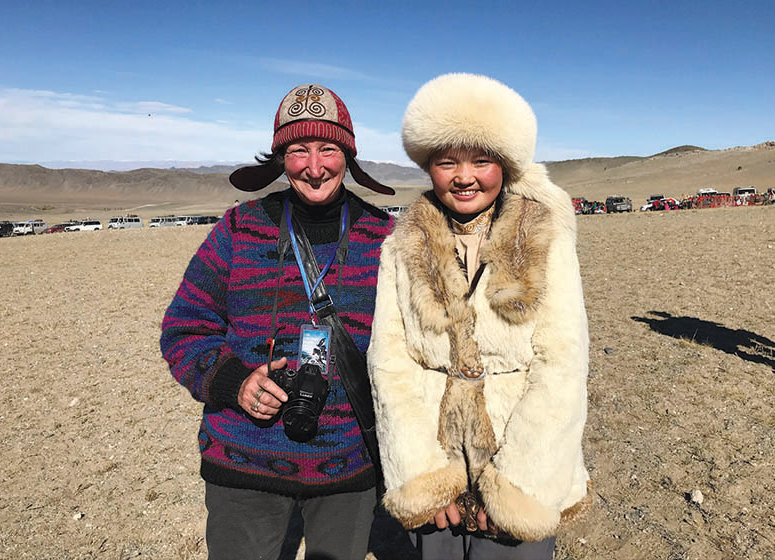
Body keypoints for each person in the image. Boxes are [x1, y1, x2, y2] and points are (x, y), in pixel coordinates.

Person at [161, 83, 395, 560]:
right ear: (280, 159)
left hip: (349, 467)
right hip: (244, 463)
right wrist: (233, 382)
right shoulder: (239, 228)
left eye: (328, 149)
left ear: (348, 155)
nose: (314, 167)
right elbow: (185, 326)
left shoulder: (385, 238)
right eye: (297, 151)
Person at [367, 73, 592, 560]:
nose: (463, 176)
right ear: (429, 167)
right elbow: (389, 361)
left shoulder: (543, 238)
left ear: (506, 166)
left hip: (519, 464)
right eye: (446, 162)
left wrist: (517, 485)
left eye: (482, 160)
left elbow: (562, 363)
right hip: (435, 468)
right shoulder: (402, 245)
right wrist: (423, 476)